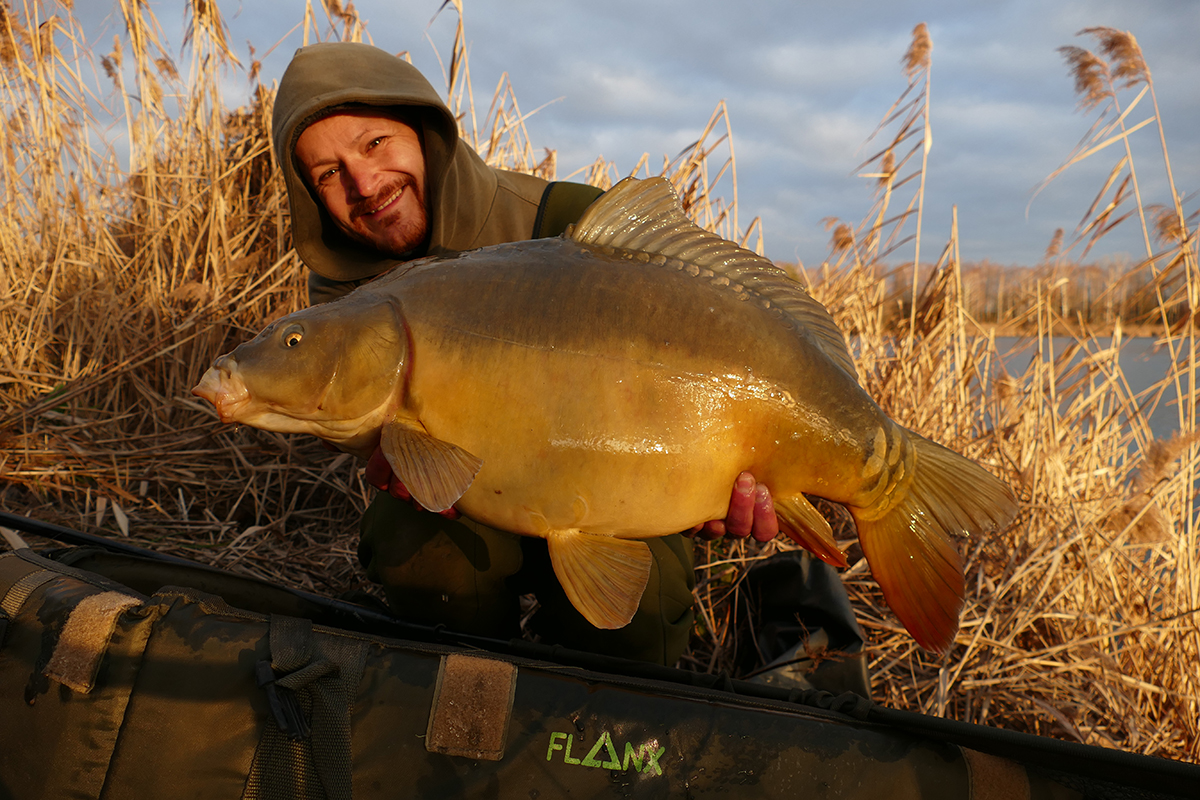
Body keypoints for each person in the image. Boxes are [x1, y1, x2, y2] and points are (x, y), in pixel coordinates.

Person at [271, 42, 866, 687]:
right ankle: (469, 704)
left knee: (639, 604)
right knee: (416, 548)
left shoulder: (563, 218)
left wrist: (714, 491)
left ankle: (592, 729)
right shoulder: (345, 286)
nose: (363, 183)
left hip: (620, 491)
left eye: (375, 143)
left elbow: (690, 373)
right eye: (328, 174)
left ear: (424, 133)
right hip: (477, 501)